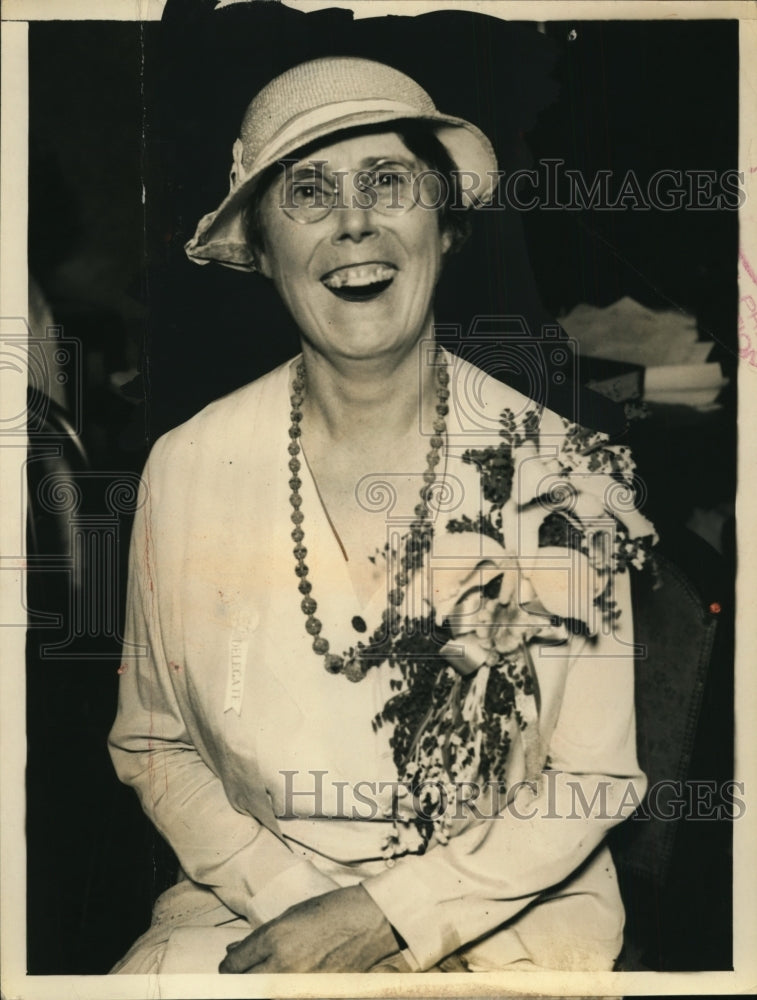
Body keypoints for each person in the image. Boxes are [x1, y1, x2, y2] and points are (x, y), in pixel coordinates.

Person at [108, 56, 657, 975]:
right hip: (248, 908)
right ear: (262, 247)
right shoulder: (187, 467)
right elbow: (154, 743)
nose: (353, 221)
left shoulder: (563, 475)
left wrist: (393, 916)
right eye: (307, 192)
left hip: (508, 925)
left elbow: (591, 778)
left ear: (446, 227)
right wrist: (300, 909)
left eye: (388, 182)